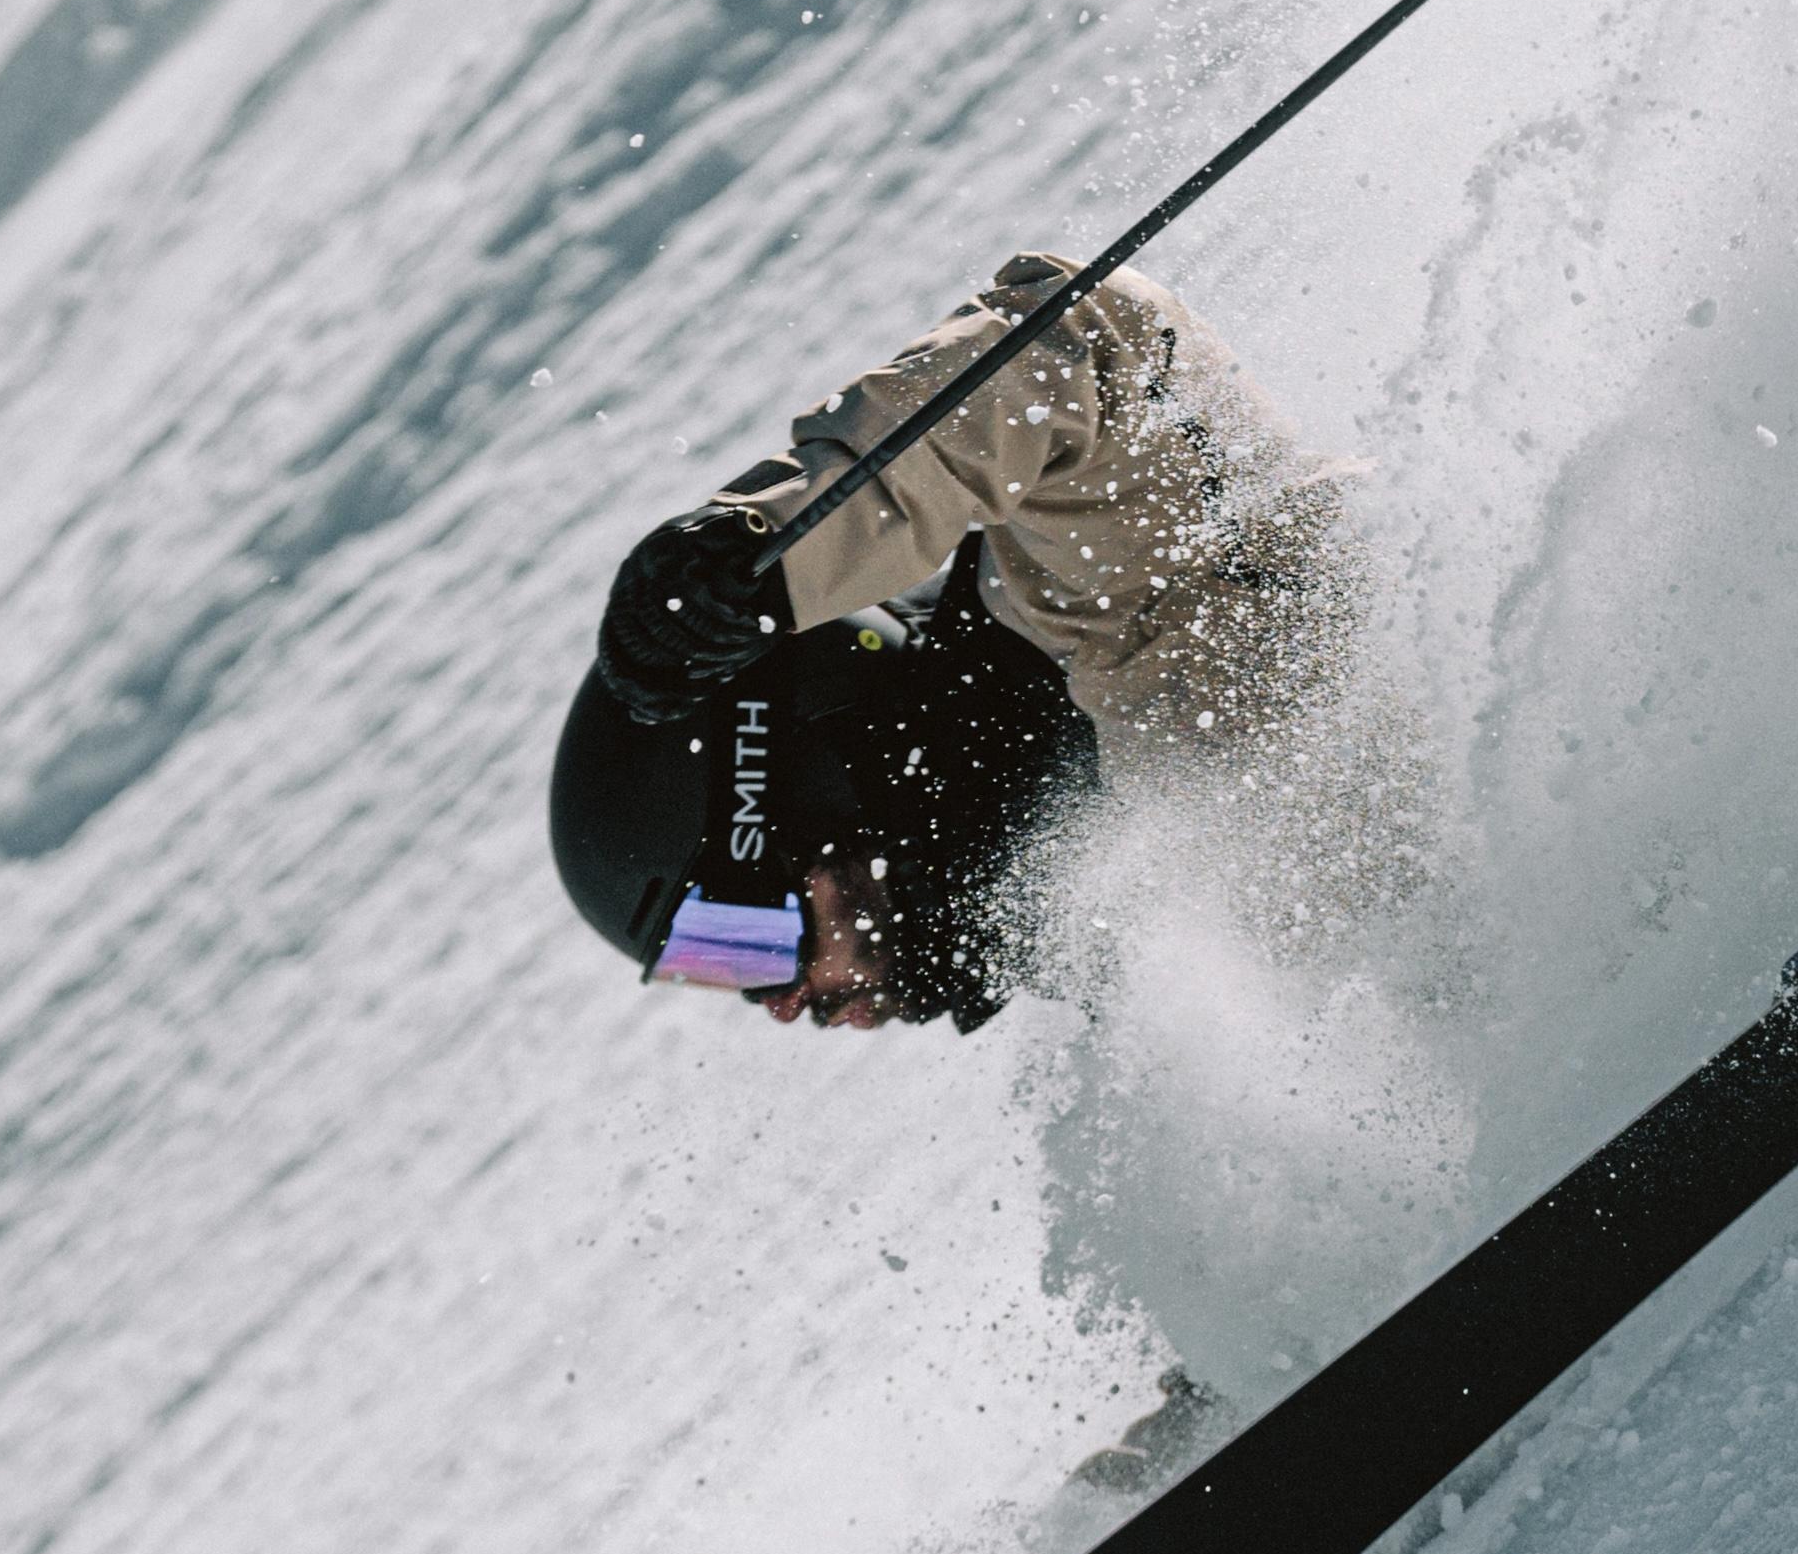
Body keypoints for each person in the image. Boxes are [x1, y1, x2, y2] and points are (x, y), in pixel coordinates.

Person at [549, 250, 1365, 1033]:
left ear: (785, 791)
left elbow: (1086, 343)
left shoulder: (1116, 622)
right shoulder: (1123, 931)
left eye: (743, 948)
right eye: (716, 970)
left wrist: (782, 553)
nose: (790, 1005)